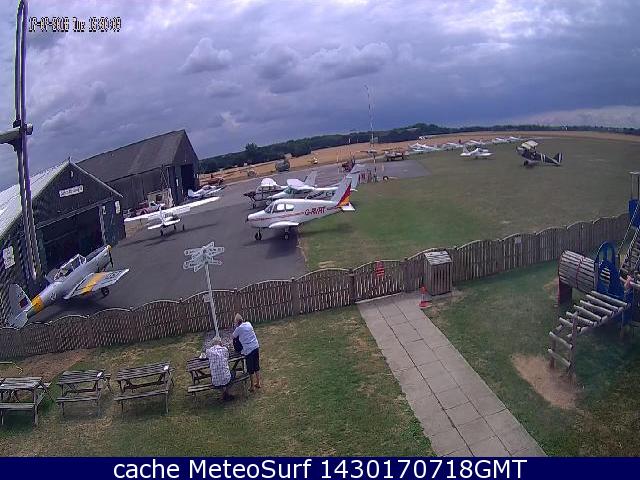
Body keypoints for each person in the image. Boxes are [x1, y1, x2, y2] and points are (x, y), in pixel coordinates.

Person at [232, 313, 261, 391]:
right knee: (256, 365)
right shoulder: (248, 323)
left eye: (235, 322)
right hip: (255, 346)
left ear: (237, 322)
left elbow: (233, 336)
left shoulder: (238, 329)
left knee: (250, 368)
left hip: (248, 350)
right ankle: (258, 382)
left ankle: (252, 386)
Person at [204, 337, 235, 401]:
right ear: (220, 343)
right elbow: (227, 357)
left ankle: (223, 394)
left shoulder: (208, 351)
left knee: (216, 376)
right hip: (226, 379)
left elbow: (206, 356)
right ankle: (226, 392)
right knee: (233, 372)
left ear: (213, 344)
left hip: (215, 382)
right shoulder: (224, 349)